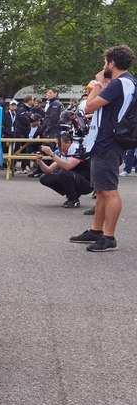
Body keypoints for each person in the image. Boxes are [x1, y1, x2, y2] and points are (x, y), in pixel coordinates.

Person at [70, 45, 135, 252]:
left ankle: (109, 237)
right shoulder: (127, 82)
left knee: (109, 190)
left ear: (112, 63)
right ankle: (96, 230)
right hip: (109, 141)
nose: (103, 66)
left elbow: (88, 106)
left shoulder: (118, 84)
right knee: (101, 189)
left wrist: (98, 83)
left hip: (108, 142)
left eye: (105, 62)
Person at [36, 133, 92, 207]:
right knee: (44, 178)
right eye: (56, 143)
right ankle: (72, 193)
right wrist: (40, 162)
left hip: (87, 184)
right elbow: (49, 170)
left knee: (63, 172)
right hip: (75, 179)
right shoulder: (64, 152)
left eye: (59, 144)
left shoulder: (79, 150)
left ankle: (73, 200)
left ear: (68, 143)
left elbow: (67, 166)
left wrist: (52, 154)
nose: (57, 146)